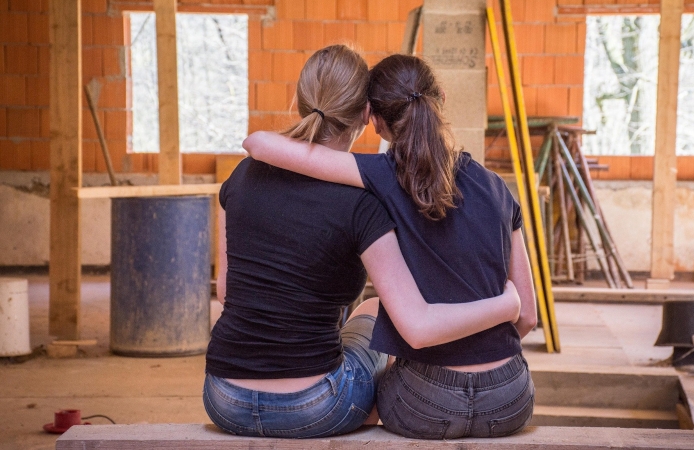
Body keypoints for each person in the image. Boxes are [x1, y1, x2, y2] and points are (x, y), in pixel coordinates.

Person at [204, 45, 523, 439]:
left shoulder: (239, 178)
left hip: (222, 397)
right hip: (317, 408)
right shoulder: (368, 199)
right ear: (366, 115)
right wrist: (506, 304)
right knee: (373, 310)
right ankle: (364, 410)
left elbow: (226, 291)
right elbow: (421, 324)